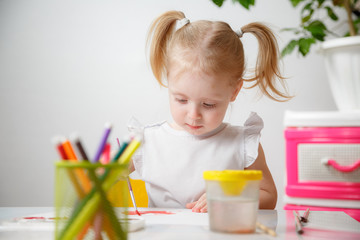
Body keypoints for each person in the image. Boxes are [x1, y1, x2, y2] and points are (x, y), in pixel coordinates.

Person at [129, 10, 291, 213]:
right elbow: (101, 175)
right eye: (181, 99)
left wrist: (232, 197)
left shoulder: (242, 144)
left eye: (208, 104)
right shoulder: (146, 141)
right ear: (169, 82)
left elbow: (269, 197)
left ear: (234, 91)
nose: (193, 114)